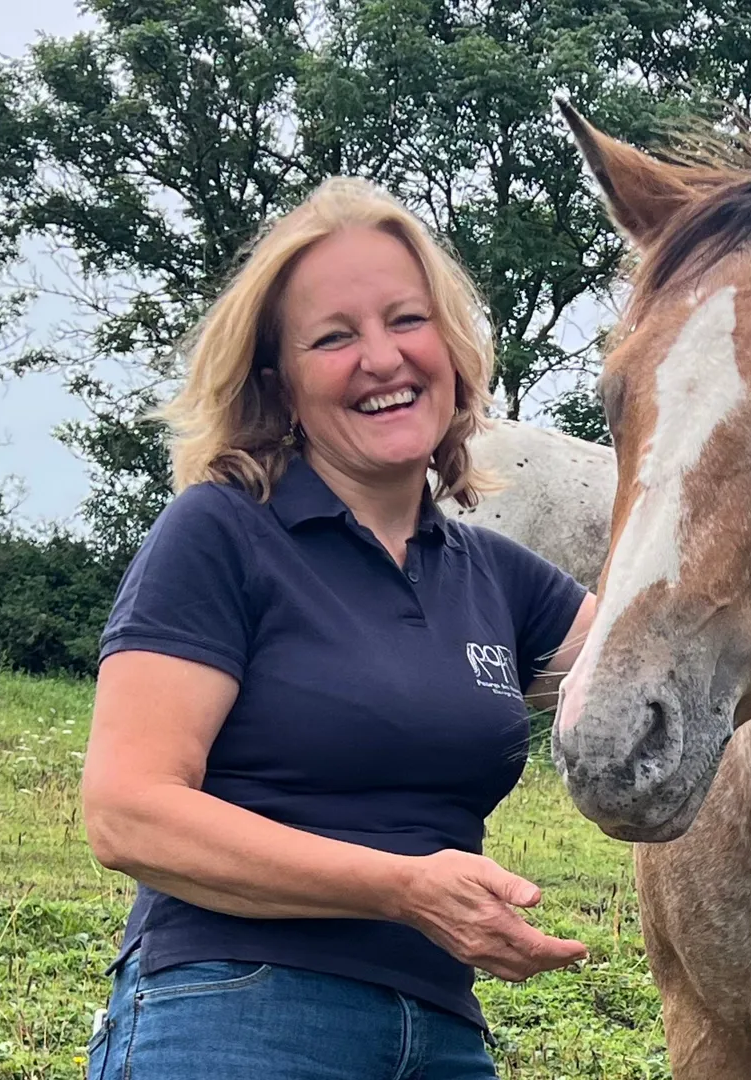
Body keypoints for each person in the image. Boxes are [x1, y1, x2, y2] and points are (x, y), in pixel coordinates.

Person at [80, 176, 598, 1080]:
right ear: (279, 385)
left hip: (441, 1032)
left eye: (407, 320)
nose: (382, 358)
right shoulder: (223, 530)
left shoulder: (495, 576)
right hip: (235, 1007)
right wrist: (402, 889)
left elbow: (698, 663)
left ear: (452, 348)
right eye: (333, 337)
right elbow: (127, 813)